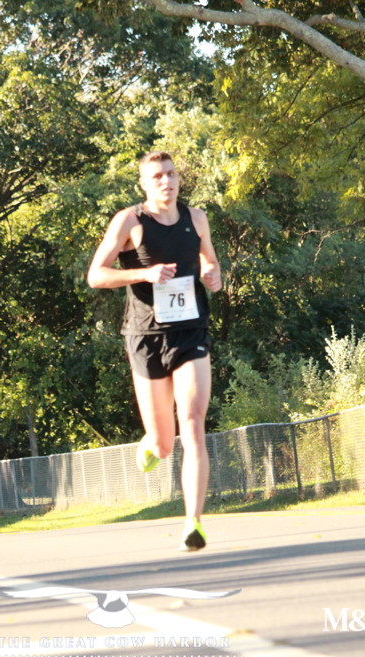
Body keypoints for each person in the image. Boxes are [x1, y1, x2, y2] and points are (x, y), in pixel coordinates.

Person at [87, 150, 222, 552]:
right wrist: (144, 273)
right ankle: (152, 444)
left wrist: (213, 275)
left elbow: (209, 261)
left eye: (171, 174)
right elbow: (96, 275)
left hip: (190, 332)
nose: (167, 181)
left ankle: (193, 522)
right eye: (158, 176)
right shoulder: (130, 221)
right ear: (144, 184)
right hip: (145, 335)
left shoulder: (196, 218)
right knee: (164, 443)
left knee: (192, 424)